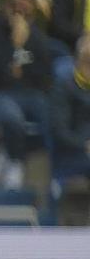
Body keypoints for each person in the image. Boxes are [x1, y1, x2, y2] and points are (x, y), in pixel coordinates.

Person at [0, 0, 56, 188]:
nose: (19, 15)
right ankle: (15, 162)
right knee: (13, 118)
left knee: (54, 121)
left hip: (30, 94)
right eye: (15, 9)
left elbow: (44, 76)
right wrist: (16, 47)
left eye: (25, 10)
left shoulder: (37, 37)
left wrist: (21, 69)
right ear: (7, 9)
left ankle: (8, 150)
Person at [51, 35, 90, 188]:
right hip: (71, 155)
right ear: (77, 61)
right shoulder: (63, 88)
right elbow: (59, 131)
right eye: (88, 61)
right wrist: (84, 145)